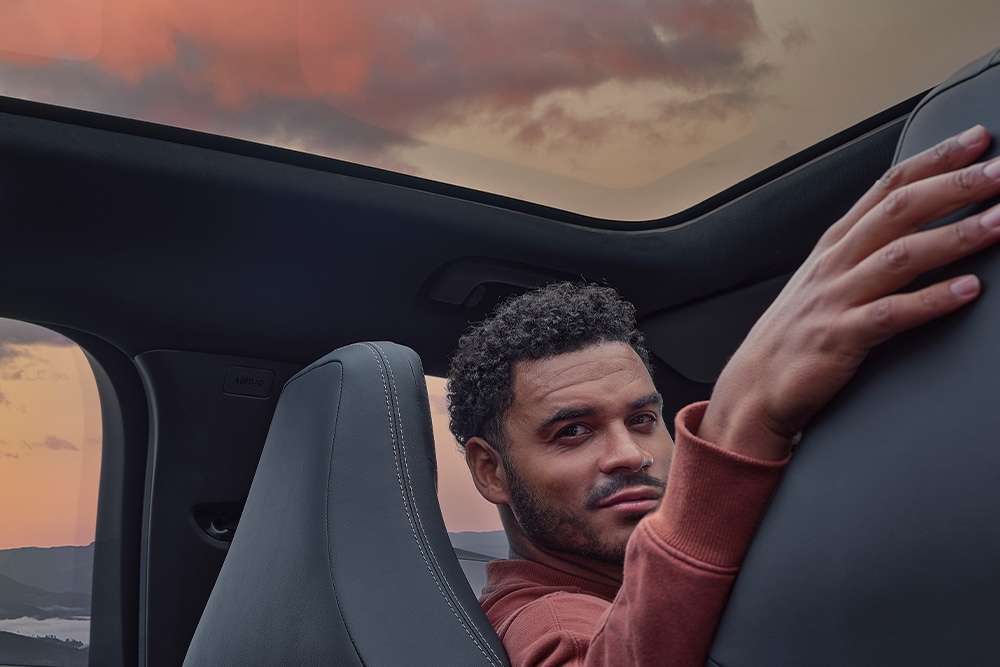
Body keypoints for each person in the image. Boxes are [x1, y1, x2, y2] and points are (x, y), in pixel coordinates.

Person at [445, 125, 1000, 667]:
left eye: (641, 419)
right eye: (573, 431)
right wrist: (743, 412)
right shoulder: (537, 616)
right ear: (490, 471)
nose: (629, 454)